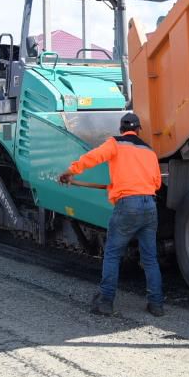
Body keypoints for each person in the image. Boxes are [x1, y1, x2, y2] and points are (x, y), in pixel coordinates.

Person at [58, 112, 164, 317]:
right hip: (150, 206)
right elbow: (156, 183)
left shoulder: (115, 143)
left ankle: (106, 302)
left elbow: (92, 158)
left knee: (113, 254)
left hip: (127, 206)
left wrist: (71, 171)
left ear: (121, 129)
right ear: (138, 130)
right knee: (150, 258)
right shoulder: (149, 151)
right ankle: (156, 304)